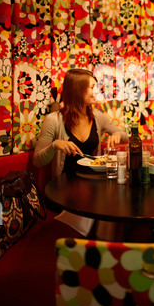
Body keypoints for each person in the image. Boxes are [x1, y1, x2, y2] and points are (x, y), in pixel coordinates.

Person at [33, 68, 129, 235]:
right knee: (108, 207)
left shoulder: (98, 117)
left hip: (94, 185)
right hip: (64, 190)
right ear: (77, 89)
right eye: (91, 87)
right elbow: (37, 161)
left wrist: (118, 137)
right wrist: (55, 145)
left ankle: (103, 251)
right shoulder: (53, 120)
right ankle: (99, 251)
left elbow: (124, 135)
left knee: (118, 201)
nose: (95, 92)